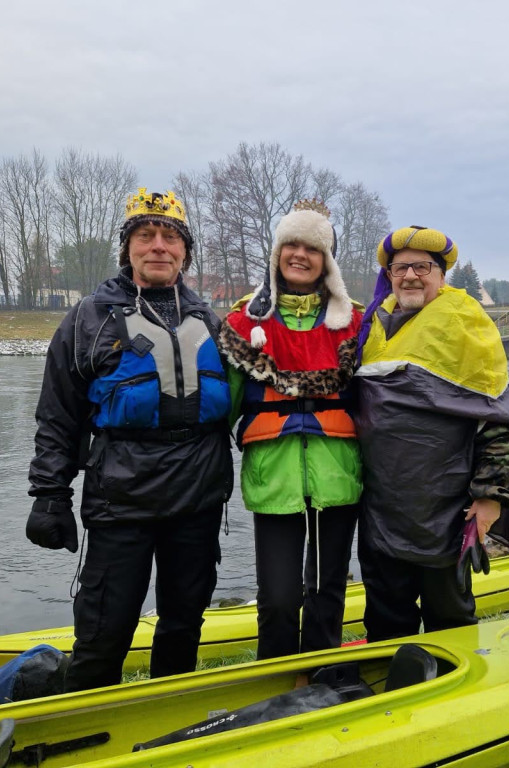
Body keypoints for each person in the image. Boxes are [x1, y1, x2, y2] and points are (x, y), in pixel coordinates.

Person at [26, 188, 233, 692]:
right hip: (120, 497)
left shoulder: (211, 319)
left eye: (170, 237)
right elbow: (59, 415)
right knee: (104, 629)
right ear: (129, 248)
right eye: (146, 235)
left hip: (199, 495)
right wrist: (50, 495)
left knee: (183, 624)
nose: (159, 246)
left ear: (185, 251)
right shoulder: (88, 318)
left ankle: (167, 716)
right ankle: (87, 717)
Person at [353, 225, 509, 642]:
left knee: (449, 620)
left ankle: (457, 696)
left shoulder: (465, 324)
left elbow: (497, 421)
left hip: (446, 510)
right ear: (389, 274)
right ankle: (390, 689)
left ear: (441, 274)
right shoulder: (372, 328)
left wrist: (490, 497)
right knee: (384, 619)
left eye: (423, 266)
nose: (411, 276)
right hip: (381, 506)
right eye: (401, 267)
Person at [217, 199, 362, 660]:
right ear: (277, 252)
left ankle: (321, 677)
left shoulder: (356, 324)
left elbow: (377, 403)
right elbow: (225, 403)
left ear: (328, 260)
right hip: (272, 475)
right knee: (278, 598)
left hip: (338, 475)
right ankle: (274, 676)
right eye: (291, 245)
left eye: (313, 248)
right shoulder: (246, 321)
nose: (300, 255)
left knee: (326, 592)